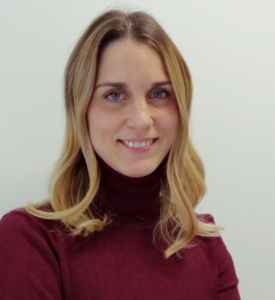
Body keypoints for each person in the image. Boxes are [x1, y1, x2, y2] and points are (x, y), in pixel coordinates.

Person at [0, 9, 240, 299]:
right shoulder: (31, 240)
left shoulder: (205, 243)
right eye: (114, 95)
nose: (141, 119)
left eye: (159, 94)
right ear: (81, 111)